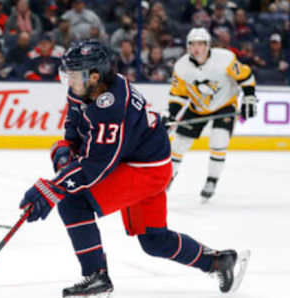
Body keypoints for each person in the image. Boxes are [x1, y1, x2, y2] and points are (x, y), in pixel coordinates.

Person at [18, 40, 250, 297]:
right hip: (142, 162)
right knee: (154, 240)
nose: (69, 81)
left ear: (94, 76)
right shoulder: (87, 88)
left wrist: (54, 187)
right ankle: (218, 262)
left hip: (145, 170)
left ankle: (96, 277)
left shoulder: (111, 107)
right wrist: (64, 151)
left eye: (73, 75)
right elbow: (74, 127)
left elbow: (96, 166)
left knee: (73, 201)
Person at [163, 27, 257, 200]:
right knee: (178, 145)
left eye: (201, 44)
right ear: (187, 46)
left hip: (225, 104)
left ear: (208, 45)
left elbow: (245, 76)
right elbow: (178, 94)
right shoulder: (181, 66)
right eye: (192, 44)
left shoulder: (225, 58)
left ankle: (212, 180)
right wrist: (172, 114)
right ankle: (167, 179)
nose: (196, 48)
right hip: (197, 108)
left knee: (219, 140)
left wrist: (249, 97)